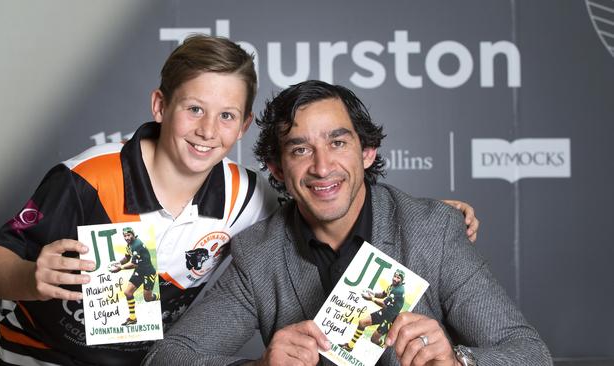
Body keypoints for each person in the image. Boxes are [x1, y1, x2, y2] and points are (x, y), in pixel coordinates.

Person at [0, 36, 478, 365]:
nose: (207, 131)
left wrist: (423, 215)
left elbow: (324, 202)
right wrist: (30, 278)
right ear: (160, 105)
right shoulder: (89, 177)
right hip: (41, 356)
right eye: (194, 109)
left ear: (244, 123)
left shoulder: (247, 194)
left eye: (227, 116)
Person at [143, 80, 552, 366]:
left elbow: (530, 353)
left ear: (367, 152)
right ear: (277, 169)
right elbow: (168, 357)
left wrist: (457, 361)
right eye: (300, 149)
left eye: (338, 143)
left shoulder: (434, 231)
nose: (323, 167)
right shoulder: (259, 253)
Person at [340, 269, 406, 352]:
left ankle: (385, 348)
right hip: (385, 312)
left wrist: (371, 298)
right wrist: (373, 293)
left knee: (374, 339)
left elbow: (383, 304)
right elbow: (383, 294)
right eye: (395, 276)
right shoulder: (393, 286)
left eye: (398, 278)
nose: (395, 279)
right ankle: (350, 346)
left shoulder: (399, 290)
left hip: (390, 319)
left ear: (402, 280)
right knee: (362, 322)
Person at [109, 227, 159, 326]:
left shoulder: (137, 245)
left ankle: (159, 296)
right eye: (125, 236)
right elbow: (127, 257)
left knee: (147, 298)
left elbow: (133, 264)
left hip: (148, 273)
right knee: (128, 292)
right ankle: (132, 318)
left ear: (133, 234)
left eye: (129, 235)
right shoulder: (129, 245)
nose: (127, 237)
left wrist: (120, 268)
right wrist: (118, 263)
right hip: (140, 271)